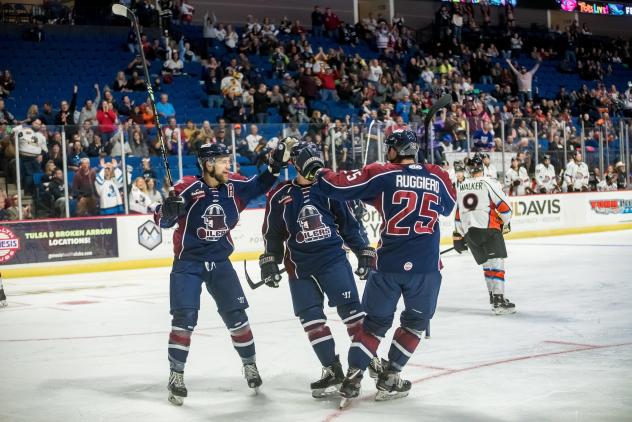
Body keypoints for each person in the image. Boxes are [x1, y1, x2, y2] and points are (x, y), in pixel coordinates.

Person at [310, 129, 456, 405]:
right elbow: (448, 206)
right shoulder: (436, 174)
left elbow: (339, 187)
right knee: (414, 324)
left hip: (387, 265)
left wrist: (318, 171)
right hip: (425, 268)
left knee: (374, 325)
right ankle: (391, 377)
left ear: (394, 150)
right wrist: (426, 171)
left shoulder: (383, 172)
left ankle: (353, 378)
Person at [153, 138, 295, 405]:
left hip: (220, 262)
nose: (228, 165)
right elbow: (162, 221)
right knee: (184, 318)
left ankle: (250, 365)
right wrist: (167, 211)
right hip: (188, 264)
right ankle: (176, 375)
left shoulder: (234, 186)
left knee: (237, 316)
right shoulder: (187, 187)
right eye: (222, 161)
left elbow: (260, 184)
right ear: (208, 164)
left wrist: (275, 165)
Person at [260, 141, 375, 398]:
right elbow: (274, 234)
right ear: (294, 163)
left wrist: (363, 250)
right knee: (312, 320)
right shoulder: (280, 195)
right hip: (299, 269)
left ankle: (371, 361)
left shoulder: (330, 189)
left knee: (353, 315)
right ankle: (332, 370)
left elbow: (349, 226)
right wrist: (270, 259)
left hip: (332, 260)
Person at [452, 153, 515, 315]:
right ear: (482, 168)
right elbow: (504, 206)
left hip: (470, 232)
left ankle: (493, 298)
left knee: (487, 265)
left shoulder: (461, 186)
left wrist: (460, 234)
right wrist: (506, 221)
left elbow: (458, 215)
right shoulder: (489, 182)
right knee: (497, 263)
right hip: (488, 228)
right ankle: (499, 301)